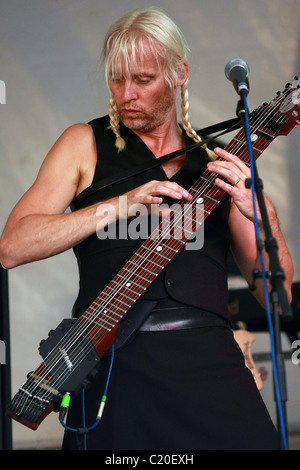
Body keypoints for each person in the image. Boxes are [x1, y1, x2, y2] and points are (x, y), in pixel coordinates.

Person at [0, 7, 294, 450]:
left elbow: (278, 292)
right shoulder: (84, 144)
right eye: (116, 80)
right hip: (115, 364)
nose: (126, 94)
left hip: (210, 364)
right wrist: (117, 205)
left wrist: (261, 212)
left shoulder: (221, 164)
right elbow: (12, 247)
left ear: (179, 73)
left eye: (142, 79)